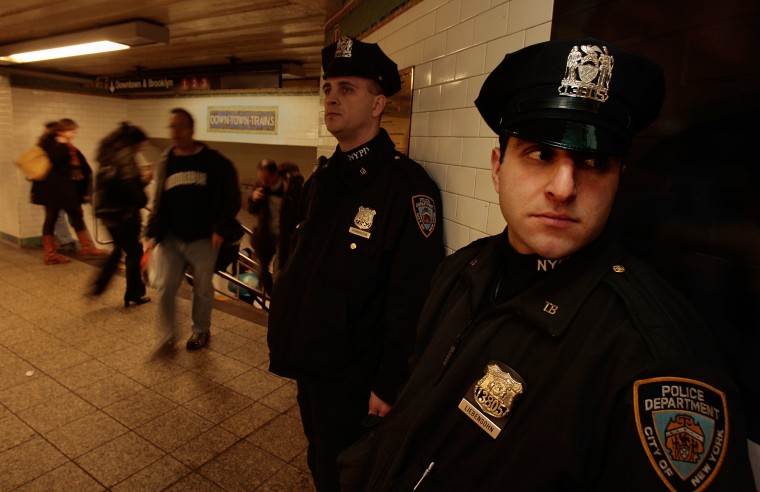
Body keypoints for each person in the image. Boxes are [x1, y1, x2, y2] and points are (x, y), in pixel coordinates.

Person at [336, 39, 756, 491]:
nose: (564, 186)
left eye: (593, 162)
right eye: (540, 154)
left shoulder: (657, 362)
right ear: (498, 168)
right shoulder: (461, 272)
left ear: (620, 182)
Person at [266, 36, 445, 492]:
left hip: (356, 377)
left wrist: (389, 383)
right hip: (313, 361)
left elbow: (412, 296)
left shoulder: (405, 188)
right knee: (320, 460)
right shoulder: (324, 178)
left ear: (378, 103)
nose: (331, 97)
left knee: (352, 474)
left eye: (347, 89)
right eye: (328, 88)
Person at [145, 108, 243, 351]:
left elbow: (231, 197)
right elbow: (159, 201)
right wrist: (152, 234)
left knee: (202, 287)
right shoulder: (167, 161)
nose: (175, 132)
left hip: (203, 239)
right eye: (172, 127)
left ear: (191, 130)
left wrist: (220, 227)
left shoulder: (213, 162)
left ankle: (200, 331)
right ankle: (167, 335)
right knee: (167, 287)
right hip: (172, 237)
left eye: (180, 127)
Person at [91, 122, 151, 307]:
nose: (141, 148)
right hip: (123, 214)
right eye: (141, 144)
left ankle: (99, 285)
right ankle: (133, 293)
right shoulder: (126, 157)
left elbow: (113, 185)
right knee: (134, 252)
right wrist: (145, 183)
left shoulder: (107, 154)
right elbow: (133, 191)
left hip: (106, 213)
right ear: (134, 142)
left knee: (118, 249)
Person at [32, 118, 107, 265]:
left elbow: (80, 167)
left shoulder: (63, 145)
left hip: (62, 189)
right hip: (54, 189)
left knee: (73, 214)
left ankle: (86, 247)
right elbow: (55, 160)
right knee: (53, 218)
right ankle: (51, 254)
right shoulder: (51, 144)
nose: (74, 133)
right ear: (62, 131)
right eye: (71, 131)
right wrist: (64, 145)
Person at [247, 158, 303, 294]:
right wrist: (253, 199)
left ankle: (278, 301)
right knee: (261, 271)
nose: (263, 183)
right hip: (266, 236)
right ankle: (273, 297)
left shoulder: (291, 188)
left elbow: (301, 210)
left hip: (284, 237)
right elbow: (253, 210)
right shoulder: (261, 186)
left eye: (266, 180)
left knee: (280, 272)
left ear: (275, 175)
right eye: (261, 179)